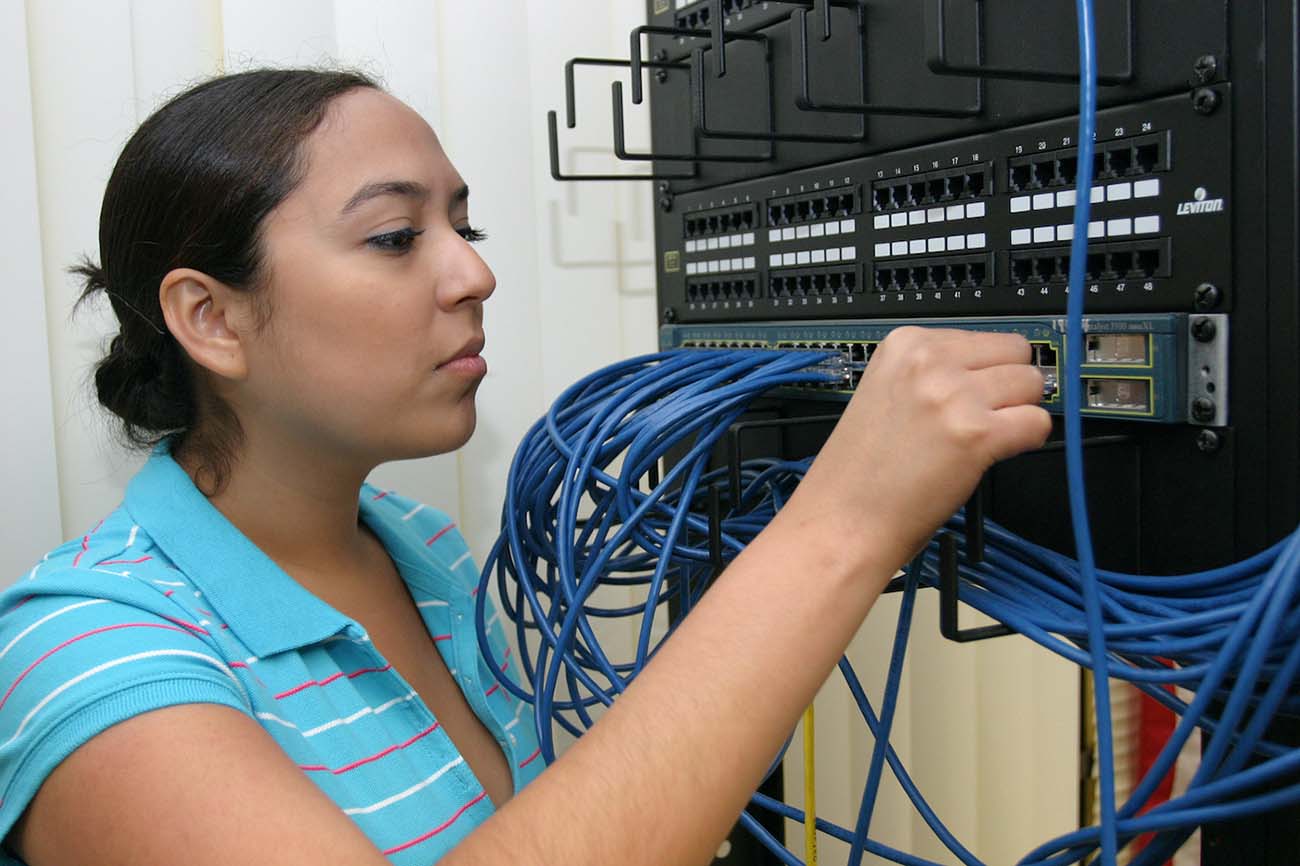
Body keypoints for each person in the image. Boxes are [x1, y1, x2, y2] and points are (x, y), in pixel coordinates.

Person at [0, 67, 1050, 866]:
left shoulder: (428, 555)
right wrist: (841, 527)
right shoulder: (86, 654)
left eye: (465, 224)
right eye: (397, 236)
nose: (474, 271)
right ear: (211, 317)